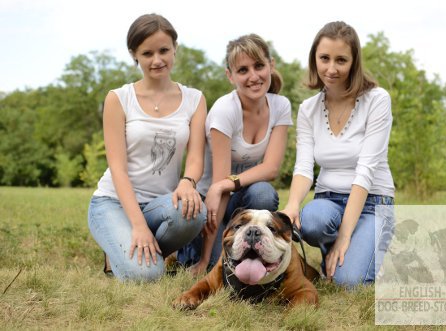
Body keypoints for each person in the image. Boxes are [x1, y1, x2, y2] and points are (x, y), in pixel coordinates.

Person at [87, 13, 207, 282]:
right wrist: (138, 226)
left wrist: (188, 182)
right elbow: (117, 169)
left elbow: (196, 157)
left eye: (164, 50)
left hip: (161, 204)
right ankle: (124, 248)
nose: (157, 60)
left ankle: (138, 249)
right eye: (147, 53)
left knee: (195, 210)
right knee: (146, 276)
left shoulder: (194, 99)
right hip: (113, 202)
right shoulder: (119, 98)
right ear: (135, 55)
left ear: (175, 48)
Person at [281, 21, 395, 287]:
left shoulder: (377, 100)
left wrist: (344, 236)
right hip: (328, 201)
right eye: (324, 58)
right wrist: (293, 204)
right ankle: (338, 255)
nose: (331, 69)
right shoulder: (308, 109)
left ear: (354, 62)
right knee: (311, 220)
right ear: (314, 58)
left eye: (341, 60)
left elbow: (365, 171)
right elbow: (303, 167)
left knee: (349, 284)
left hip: (372, 203)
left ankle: (358, 249)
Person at [177, 34, 293, 275]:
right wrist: (207, 260)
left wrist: (227, 184)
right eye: (243, 70)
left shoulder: (281, 106)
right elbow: (219, 188)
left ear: (271, 65)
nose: (253, 76)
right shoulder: (224, 110)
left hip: (241, 202)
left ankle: (253, 249)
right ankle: (194, 252)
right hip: (210, 205)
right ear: (230, 76)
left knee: (263, 193)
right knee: (216, 266)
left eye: (259, 66)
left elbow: (271, 168)